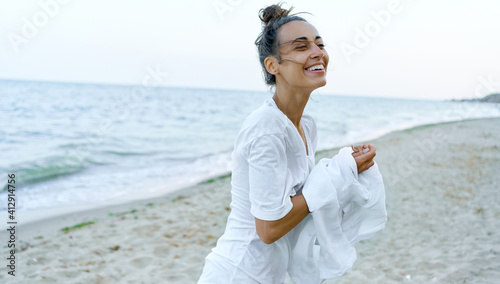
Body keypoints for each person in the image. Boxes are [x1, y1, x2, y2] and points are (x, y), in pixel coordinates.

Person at [198, 3, 376, 283]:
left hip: (270, 275)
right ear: (273, 65)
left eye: (320, 44)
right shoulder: (267, 128)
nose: (318, 52)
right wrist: (334, 175)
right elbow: (268, 228)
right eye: (301, 47)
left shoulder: (307, 125)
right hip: (239, 272)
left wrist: (349, 168)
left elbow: (300, 201)